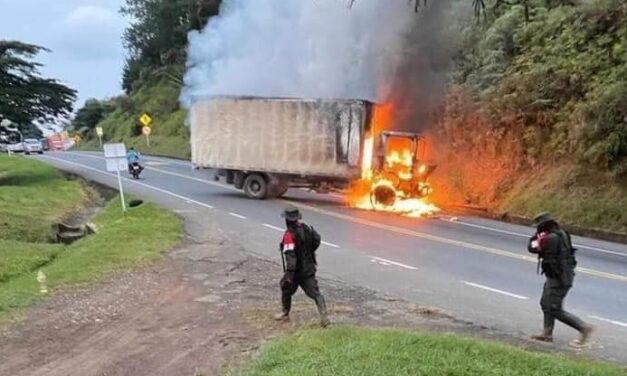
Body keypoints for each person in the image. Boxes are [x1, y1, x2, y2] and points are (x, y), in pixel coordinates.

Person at [527, 212, 593, 347]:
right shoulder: (562, 234)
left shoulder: (550, 238)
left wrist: (536, 237)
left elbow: (532, 248)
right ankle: (547, 333)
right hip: (561, 275)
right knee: (546, 304)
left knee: (553, 308)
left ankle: (583, 328)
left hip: (558, 278)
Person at [275, 205, 329, 327]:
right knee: (316, 294)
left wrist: (289, 276)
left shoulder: (289, 235)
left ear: (287, 220)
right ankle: (325, 319)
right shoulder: (306, 228)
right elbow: (317, 240)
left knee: (285, 288)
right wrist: (308, 253)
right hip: (309, 269)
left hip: (296, 272)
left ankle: (285, 313)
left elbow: (291, 257)